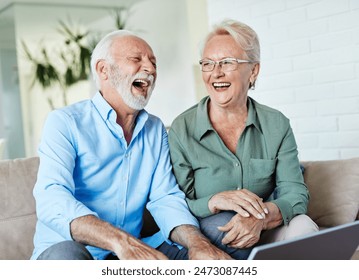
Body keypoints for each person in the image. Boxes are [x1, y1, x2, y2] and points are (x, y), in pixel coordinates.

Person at [31, 30, 232, 260]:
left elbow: (165, 197)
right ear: (103, 70)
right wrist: (121, 241)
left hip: (132, 251)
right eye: (136, 59)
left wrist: (197, 243)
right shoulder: (65, 122)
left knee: (220, 233)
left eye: (153, 62)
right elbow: (52, 197)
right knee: (66, 256)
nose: (150, 69)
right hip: (73, 252)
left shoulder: (155, 129)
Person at [168, 19, 319, 260]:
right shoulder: (181, 129)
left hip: (265, 228)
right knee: (225, 228)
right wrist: (216, 201)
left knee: (303, 226)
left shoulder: (276, 123)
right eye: (208, 63)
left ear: (254, 71)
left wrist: (261, 217)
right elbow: (177, 202)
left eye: (227, 62)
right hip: (213, 234)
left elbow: (295, 192)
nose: (215, 73)